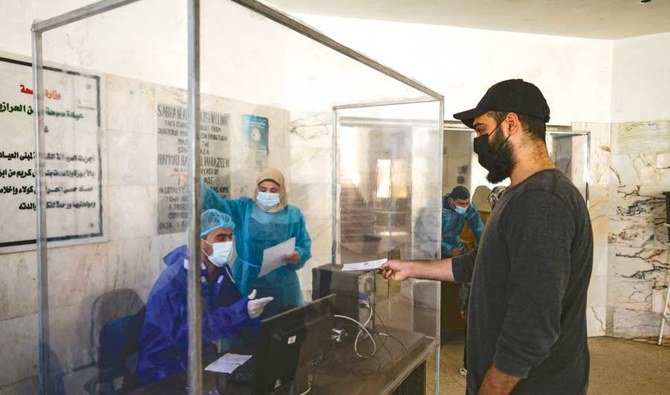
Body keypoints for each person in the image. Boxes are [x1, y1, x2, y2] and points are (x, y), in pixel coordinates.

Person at [380, 79, 593, 394]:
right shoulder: (518, 194)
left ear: (510, 124)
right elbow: (481, 264)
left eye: (481, 131)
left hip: (533, 385)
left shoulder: (543, 201)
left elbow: (532, 326)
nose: (478, 142)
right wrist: (411, 268)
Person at [137, 209, 273, 384]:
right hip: (164, 369)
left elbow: (234, 304)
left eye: (230, 237)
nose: (228, 243)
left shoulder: (219, 270)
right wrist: (241, 312)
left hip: (199, 358)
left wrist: (262, 331)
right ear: (198, 241)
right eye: (220, 238)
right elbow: (188, 332)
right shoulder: (175, 280)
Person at [202, 167, 312, 317]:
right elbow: (218, 204)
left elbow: (304, 244)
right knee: (245, 326)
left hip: (282, 284)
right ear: (257, 190)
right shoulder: (244, 208)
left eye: (273, 190)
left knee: (283, 328)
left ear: (282, 191)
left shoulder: (293, 214)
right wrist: (198, 187)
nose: (267, 194)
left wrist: (297, 254)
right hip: (247, 280)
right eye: (263, 189)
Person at [441, 185, 484, 258]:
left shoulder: (469, 207)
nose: (464, 207)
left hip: (454, 241)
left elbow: (478, 228)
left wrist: (483, 244)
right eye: (461, 204)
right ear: (451, 200)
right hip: (436, 245)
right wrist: (449, 250)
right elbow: (432, 237)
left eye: (466, 203)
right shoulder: (437, 209)